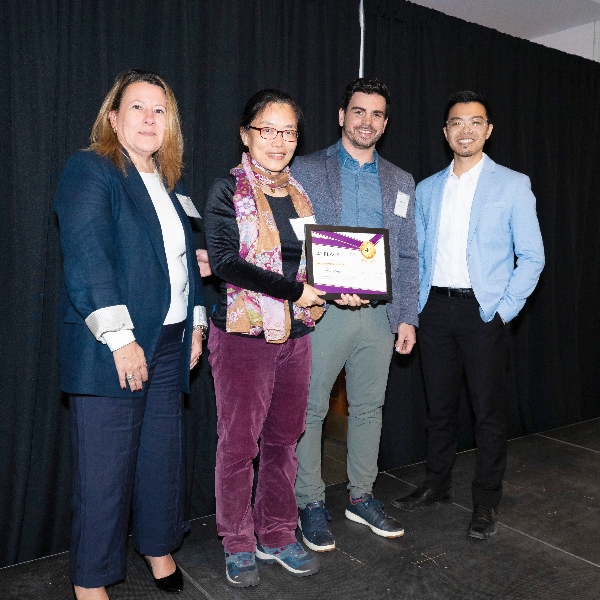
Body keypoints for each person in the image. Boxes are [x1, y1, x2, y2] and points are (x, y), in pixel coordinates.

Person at [54, 69, 206, 600]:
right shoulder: (91, 170)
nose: (149, 118)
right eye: (137, 107)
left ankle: (158, 546)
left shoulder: (169, 186)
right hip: (112, 348)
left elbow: (184, 264)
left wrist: (196, 325)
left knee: (161, 457)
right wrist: (122, 338)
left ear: (171, 125)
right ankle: (91, 580)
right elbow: (88, 259)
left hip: (168, 344)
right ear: (113, 118)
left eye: (160, 110)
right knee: (104, 473)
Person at [392, 91, 545, 539]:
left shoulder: (513, 185)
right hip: (435, 310)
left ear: (488, 130)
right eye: (457, 122)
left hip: (484, 314)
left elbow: (532, 257)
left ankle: (485, 501)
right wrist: (413, 312)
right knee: (438, 409)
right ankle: (437, 486)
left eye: (475, 122)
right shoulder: (426, 188)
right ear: (445, 132)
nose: (466, 130)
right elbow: (416, 257)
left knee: (487, 415)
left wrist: (503, 312)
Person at [291, 77, 419, 551]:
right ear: (342, 116)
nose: (367, 120)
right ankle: (309, 502)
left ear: (385, 124)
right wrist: (321, 286)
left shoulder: (401, 181)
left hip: (380, 317)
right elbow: (291, 242)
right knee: (310, 410)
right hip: (323, 312)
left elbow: (407, 256)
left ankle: (361, 496)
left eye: (377, 114)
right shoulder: (303, 169)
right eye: (359, 111)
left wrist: (407, 316)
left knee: (370, 408)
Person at [204, 89, 325, 588]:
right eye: (268, 130)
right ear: (245, 134)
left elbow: (315, 263)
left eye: (288, 131)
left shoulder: (300, 194)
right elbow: (228, 263)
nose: (278, 141)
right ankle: (237, 540)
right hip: (243, 335)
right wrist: (298, 290)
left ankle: (276, 532)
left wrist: (341, 289)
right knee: (239, 444)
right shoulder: (225, 189)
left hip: (297, 335)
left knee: (283, 439)